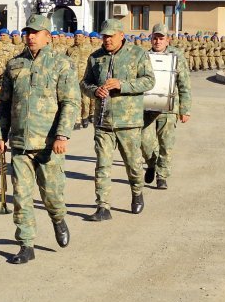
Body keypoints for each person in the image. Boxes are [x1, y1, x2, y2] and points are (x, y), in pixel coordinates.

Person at [0, 14, 79, 265]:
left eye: (35, 32)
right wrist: (1, 134)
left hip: (49, 143)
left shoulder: (61, 65)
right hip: (20, 143)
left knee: (52, 195)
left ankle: (58, 217)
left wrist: (62, 134)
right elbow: (4, 104)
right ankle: (26, 243)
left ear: (47, 36)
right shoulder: (14, 65)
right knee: (21, 197)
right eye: (27, 32)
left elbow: (70, 102)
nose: (30, 36)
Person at [82, 18, 155, 221]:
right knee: (102, 164)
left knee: (132, 163)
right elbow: (84, 83)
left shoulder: (137, 54)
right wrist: (95, 90)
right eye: (104, 36)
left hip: (128, 121)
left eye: (110, 36)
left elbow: (149, 81)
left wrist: (122, 85)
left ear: (121, 35)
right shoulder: (95, 57)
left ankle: (137, 193)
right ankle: (103, 206)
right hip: (103, 121)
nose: (106, 40)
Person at [140, 24, 192, 192]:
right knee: (144, 142)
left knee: (166, 143)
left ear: (167, 39)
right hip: (146, 107)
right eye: (155, 37)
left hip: (169, 107)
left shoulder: (176, 57)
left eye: (161, 38)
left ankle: (162, 176)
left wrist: (185, 109)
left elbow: (184, 84)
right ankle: (151, 164)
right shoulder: (144, 56)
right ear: (151, 38)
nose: (157, 41)